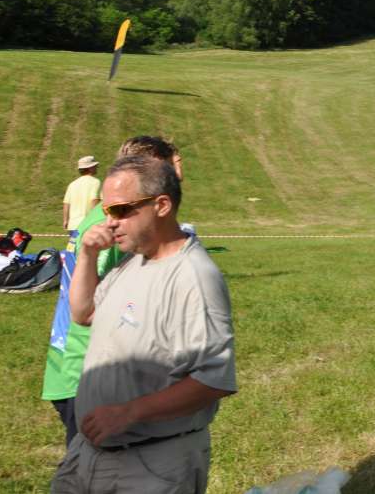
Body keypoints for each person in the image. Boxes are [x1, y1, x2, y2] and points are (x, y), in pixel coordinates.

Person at [51, 155, 235, 494]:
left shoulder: (193, 277)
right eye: (107, 211)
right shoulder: (133, 261)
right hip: (90, 454)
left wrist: (129, 413)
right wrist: (87, 255)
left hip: (149, 466)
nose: (110, 223)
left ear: (162, 205)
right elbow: (83, 313)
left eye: (121, 210)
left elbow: (214, 380)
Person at [41, 137, 183, 449]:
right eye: (173, 166)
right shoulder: (116, 222)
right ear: (149, 169)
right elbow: (89, 307)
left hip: (94, 369)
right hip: (86, 370)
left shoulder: (114, 217)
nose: (179, 175)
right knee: (99, 467)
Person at [62, 156, 101, 234]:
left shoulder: (72, 184)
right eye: (95, 166)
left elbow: (66, 204)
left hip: (73, 226)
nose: (96, 168)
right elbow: (94, 201)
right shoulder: (95, 182)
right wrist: (96, 221)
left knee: (75, 242)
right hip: (87, 225)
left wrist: (65, 220)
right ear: (90, 168)